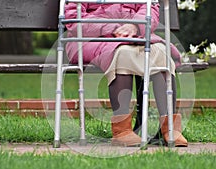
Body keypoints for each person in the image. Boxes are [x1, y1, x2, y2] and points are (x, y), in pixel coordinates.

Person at [65, 2, 187, 147]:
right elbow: (73, 17)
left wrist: (134, 26)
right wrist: (114, 28)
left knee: (162, 54)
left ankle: (170, 128)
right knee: (123, 53)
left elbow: (149, 9)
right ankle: (122, 130)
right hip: (91, 38)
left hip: (136, 35)